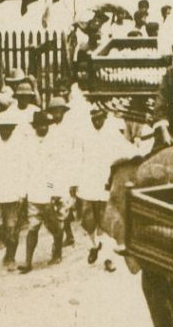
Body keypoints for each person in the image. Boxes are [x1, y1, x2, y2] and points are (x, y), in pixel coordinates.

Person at [76, 107, 129, 269]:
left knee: (105, 219)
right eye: (94, 118)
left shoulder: (112, 133)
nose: (97, 121)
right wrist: (73, 181)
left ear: (105, 117)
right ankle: (93, 245)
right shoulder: (83, 133)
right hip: (87, 182)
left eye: (100, 118)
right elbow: (75, 157)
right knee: (88, 220)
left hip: (105, 181)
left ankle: (108, 258)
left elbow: (127, 151)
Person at [0, 107, 29, 268]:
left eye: (8, 128)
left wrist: (22, 192)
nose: (5, 131)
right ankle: (9, 245)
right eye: (2, 128)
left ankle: (10, 256)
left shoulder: (19, 146)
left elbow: (23, 169)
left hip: (13, 192)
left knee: (12, 226)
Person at [22, 110, 66, 273]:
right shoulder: (29, 142)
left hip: (51, 191)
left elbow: (57, 169)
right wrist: (24, 191)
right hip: (34, 191)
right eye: (39, 125)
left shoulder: (55, 143)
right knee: (33, 227)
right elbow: (26, 167)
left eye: (45, 125)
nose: (42, 128)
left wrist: (53, 192)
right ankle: (28, 262)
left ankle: (57, 251)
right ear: (34, 126)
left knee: (55, 226)